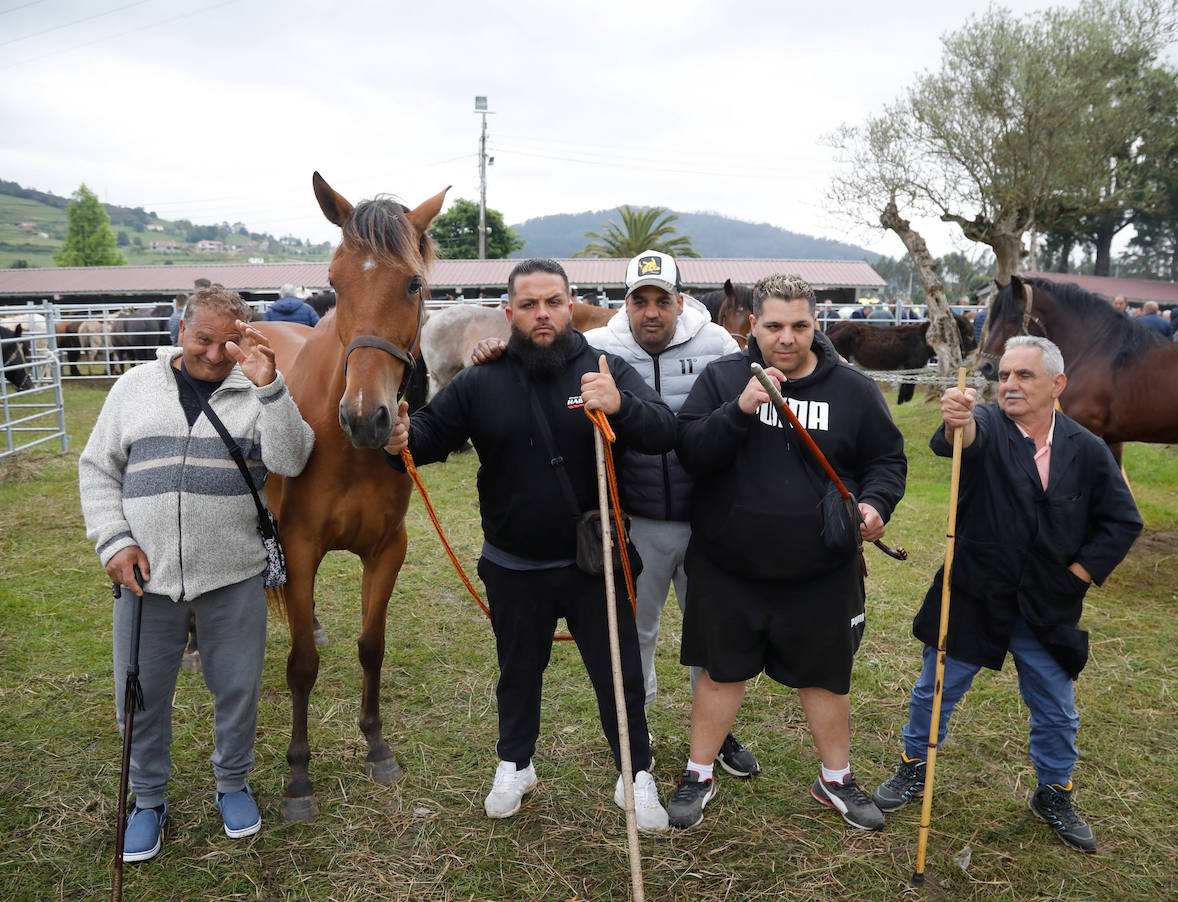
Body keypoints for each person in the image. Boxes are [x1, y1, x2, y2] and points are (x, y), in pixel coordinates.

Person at [382, 258, 675, 829]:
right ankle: (516, 762)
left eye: (554, 302)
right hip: (514, 563)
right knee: (518, 668)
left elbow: (665, 431)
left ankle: (635, 774)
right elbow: (428, 439)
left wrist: (622, 406)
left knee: (619, 674)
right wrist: (399, 438)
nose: (543, 314)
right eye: (529, 305)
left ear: (571, 306)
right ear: (509, 312)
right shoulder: (479, 380)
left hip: (597, 559)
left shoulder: (604, 368)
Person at [870, 336, 1141, 854]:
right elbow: (960, 438)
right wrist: (958, 418)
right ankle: (913, 769)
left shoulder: (1086, 448)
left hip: (1048, 602)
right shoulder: (989, 424)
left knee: (1057, 709)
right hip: (975, 590)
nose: (1010, 385)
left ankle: (1054, 793)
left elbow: (1122, 520)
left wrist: (1078, 575)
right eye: (1005, 376)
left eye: (1024, 376)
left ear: (1057, 385)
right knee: (936, 691)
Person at [79, 284, 314, 863]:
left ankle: (232, 784)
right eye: (204, 339)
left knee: (237, 690)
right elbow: (98, 469)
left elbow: (291, 459)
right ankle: (148, 799)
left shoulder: (258, 390)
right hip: (144, 578)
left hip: (232, 574)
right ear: (181, 329)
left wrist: (270, 387)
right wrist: (115, 541)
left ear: (245, 340)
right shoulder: (134, 387)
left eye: (229, 342)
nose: (214, 354)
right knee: (140, 695)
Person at [666, 273, 908, 831]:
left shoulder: (853, 389)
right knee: (721, 673)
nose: (787, 338)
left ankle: (836, 778)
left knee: (825, 677)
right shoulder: (725, 378)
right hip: (730, 568)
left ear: (815, 324)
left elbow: (887, 462)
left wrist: (875, 505)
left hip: (821, 569)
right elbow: (691, 451)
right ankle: (699, 772)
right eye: (774, 326)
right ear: (753, 325)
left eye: (800, 326)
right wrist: (739, 409)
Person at [583, 250, 761, 776]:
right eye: (641, 301)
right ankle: (634, 725)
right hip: (637, 519)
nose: (652, 312)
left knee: (710, 631)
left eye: (664, 300)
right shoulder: (597, 348)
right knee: (637, 630)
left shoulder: (717, 344)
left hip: (708, 517)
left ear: (682, 302)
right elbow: (538, 363)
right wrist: (494, 348)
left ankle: (719, 733)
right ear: (626, 305)